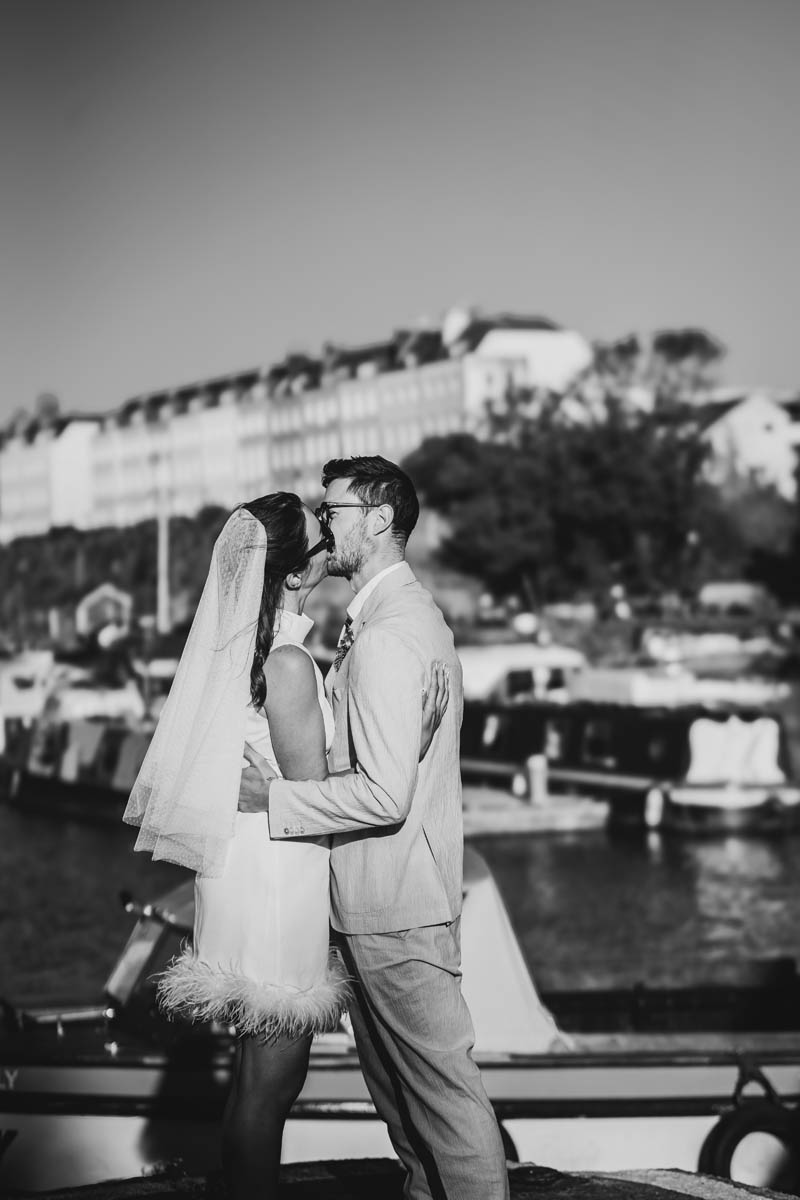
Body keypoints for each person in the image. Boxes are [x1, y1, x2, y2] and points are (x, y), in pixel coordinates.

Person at [123, 492, 447, 1199]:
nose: (332, 538)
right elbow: (309, 789)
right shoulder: (291, 663)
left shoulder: (248, 649)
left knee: (254, 1079)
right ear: (294, 574)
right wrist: (396, 751)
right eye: (317, 533)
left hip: (249, 863)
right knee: (273, 1082)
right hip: (279, 876)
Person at [239, 457, 510, 1200]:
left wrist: (278, 803)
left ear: (381, 519)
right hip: (369, 905)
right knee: (405, 1115)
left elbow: (386, 796)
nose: (325, 527)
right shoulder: (387, 622)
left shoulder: (391, 634)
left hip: (396, 909)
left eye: (335, 512)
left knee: (446, 1106)